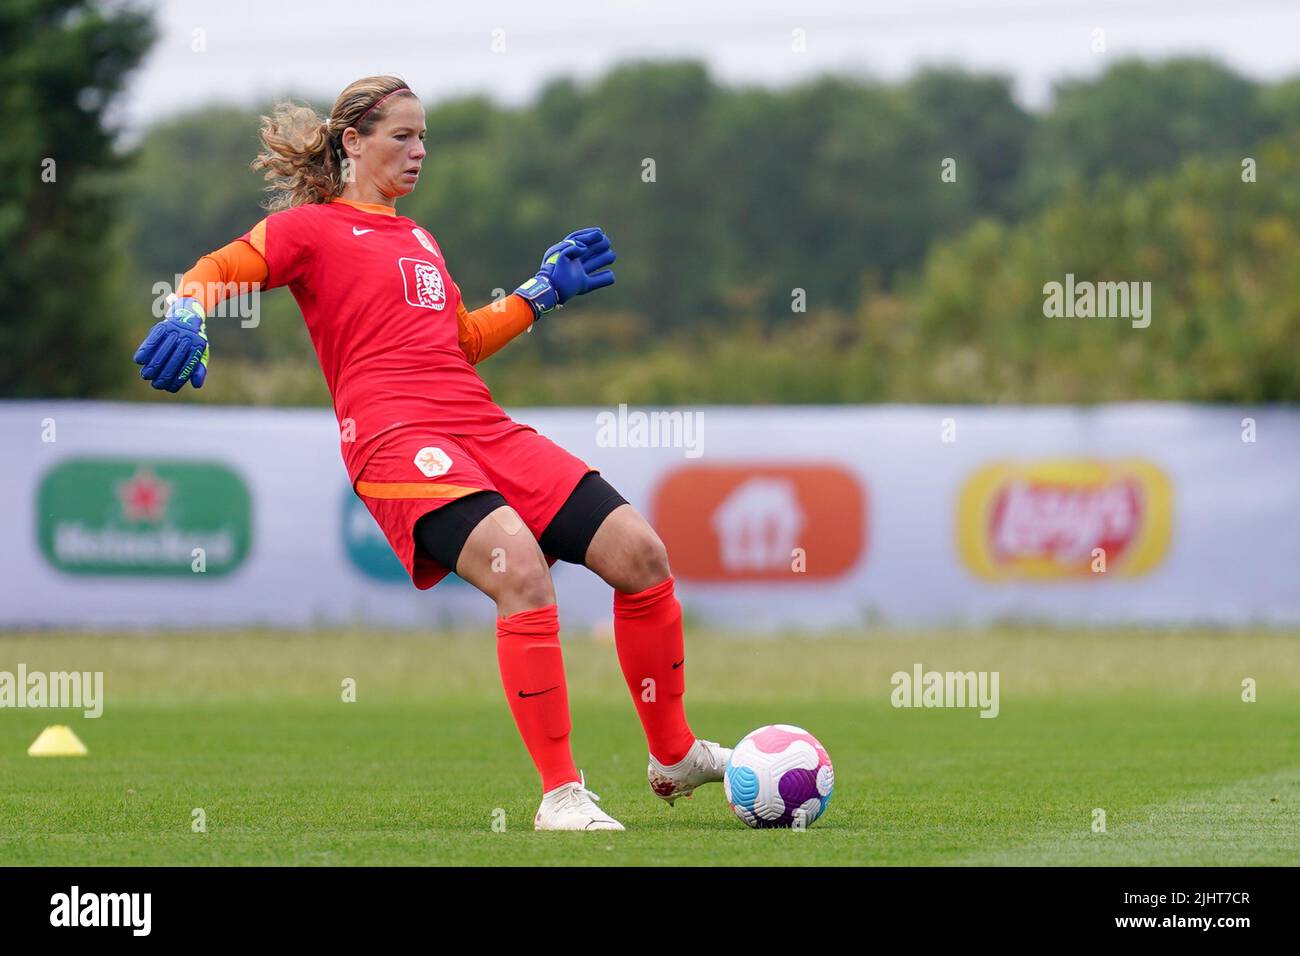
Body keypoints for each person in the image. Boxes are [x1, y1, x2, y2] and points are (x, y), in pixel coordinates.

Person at [131, 75, 728, 831]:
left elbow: (459, 342)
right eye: (402, 136)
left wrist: (540, 293)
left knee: (640, 553)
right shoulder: (309, 230)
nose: (418, 152)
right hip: (394, 439)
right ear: (353, 142)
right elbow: (218, 269)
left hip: (479, 425)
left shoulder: (419, 239)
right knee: (520, 570)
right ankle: (561, 794)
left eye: (424, 138)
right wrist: (186, 310)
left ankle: (673, 753)